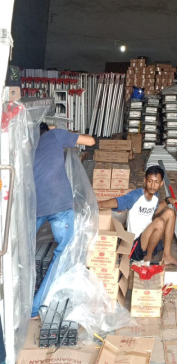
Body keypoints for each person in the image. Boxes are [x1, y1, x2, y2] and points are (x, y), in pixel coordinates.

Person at [32, 123, 95, 317]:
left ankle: (15, 303)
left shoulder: (26, 144)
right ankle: (35, 308)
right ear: (47, 128)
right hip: (59, 204)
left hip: (33, 206)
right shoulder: (55, 135)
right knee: (63, 254)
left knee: (21, 254)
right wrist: (59, 131)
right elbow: (91, 141)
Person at [102, 165, 177, 267]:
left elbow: (154, 210)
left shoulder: (155, 196)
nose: (152, 186)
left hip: (149, 241)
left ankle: (167, 256)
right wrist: (99, 204)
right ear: (145, 180)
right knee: (159, 222)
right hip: (135, 246)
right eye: (150, 181)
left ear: (161, 183)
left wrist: (167, 201)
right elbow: (117, 202)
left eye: (156, 182)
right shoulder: (135, 196)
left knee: (170, 212)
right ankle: (147, 259)